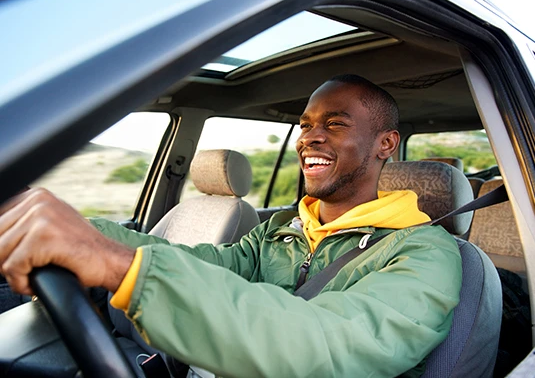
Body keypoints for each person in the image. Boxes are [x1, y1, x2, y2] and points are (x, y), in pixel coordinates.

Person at [0, 74, 461, 377]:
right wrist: (82, 232)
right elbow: (203, 264)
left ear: (386, 143)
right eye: (305, 125)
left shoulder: (424, 254)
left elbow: (325, 345)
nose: (310, 137)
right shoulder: (281, 228)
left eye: (335, 124)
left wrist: (120, 267)